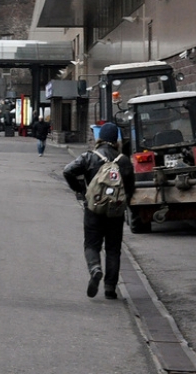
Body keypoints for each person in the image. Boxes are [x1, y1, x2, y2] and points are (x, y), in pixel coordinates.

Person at [62, 122, 135, 299]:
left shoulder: (89, 157)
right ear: (116, 140)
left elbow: (68, 171)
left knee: (91, 244)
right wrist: (125, 204)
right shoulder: (124, 161)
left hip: (93, 209)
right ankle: (110, 288)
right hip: (115, 212)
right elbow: (131, 188)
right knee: (113, 249)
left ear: (99, 138)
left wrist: (81, 189)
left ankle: (95, 268)